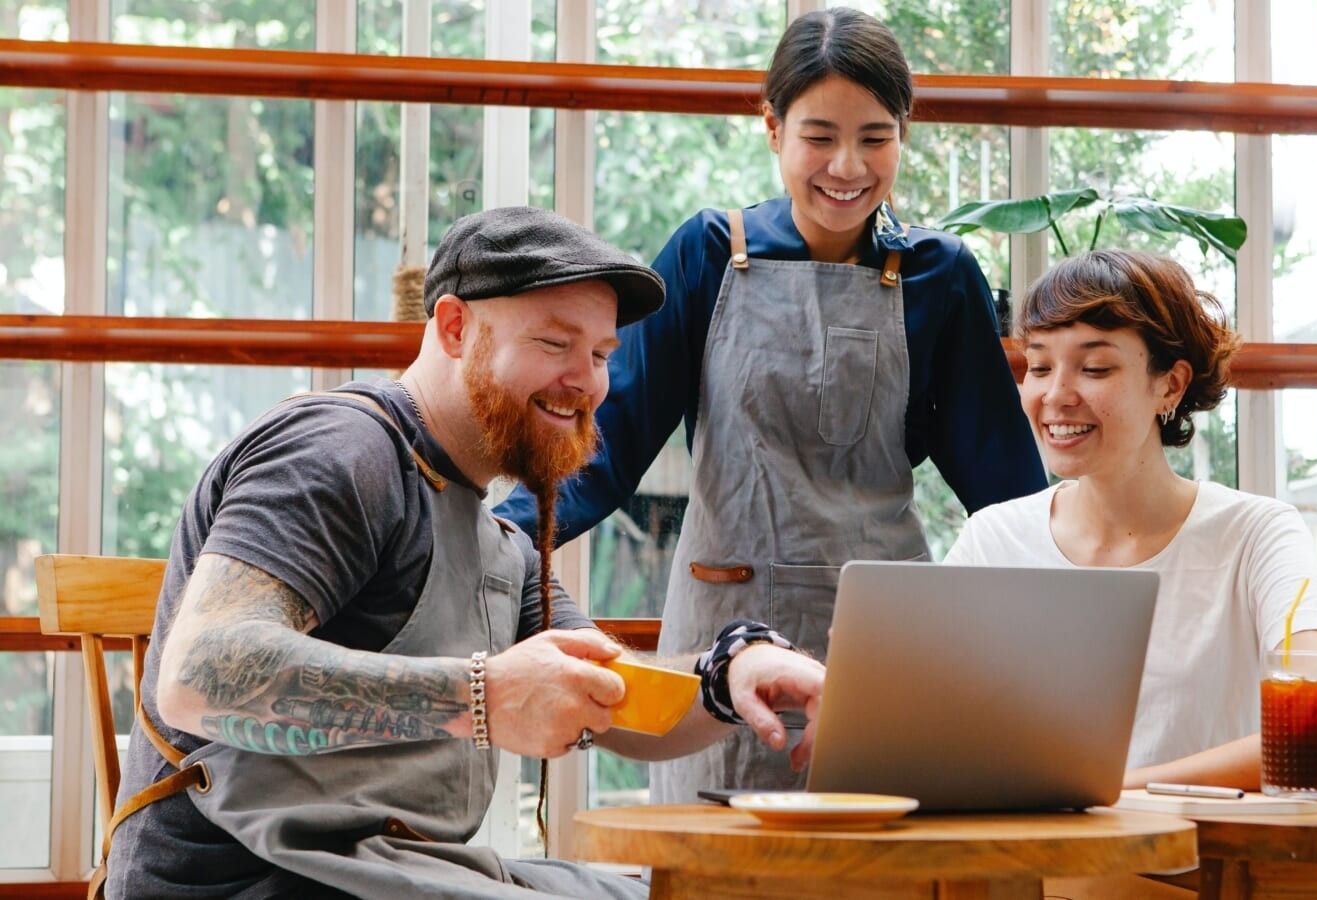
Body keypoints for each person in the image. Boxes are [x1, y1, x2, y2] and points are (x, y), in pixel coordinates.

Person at [105, 207, 825, 900]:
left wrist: (730, 673)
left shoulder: (496, 539)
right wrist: (483, 697)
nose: (587, 380)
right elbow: (200, 676)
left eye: (602, 354)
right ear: (454, 326)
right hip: (244, 882)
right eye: (554, 343)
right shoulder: (339, 452)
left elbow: (617, 696)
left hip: (398, 872)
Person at [495, 7, 1046, 805]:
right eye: (819, 136)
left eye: (875, 136)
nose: (847, 166)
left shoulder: (941, 275)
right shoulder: (708, 253)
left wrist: (1078, 621)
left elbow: (1007, 494)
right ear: (773, 130)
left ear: (904, 134)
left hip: (885, 642)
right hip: (724, 648)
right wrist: (496, 535)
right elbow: (606, 449)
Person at [944, 249, 1317, 790]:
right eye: (1038, 366)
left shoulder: (1257, 535)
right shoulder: (992, 539)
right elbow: (933, 728)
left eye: (1095, 368)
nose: (1055, 395)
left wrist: (1105, 794)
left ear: (1170, 385)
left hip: (1198, 864)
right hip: (1026, 863)